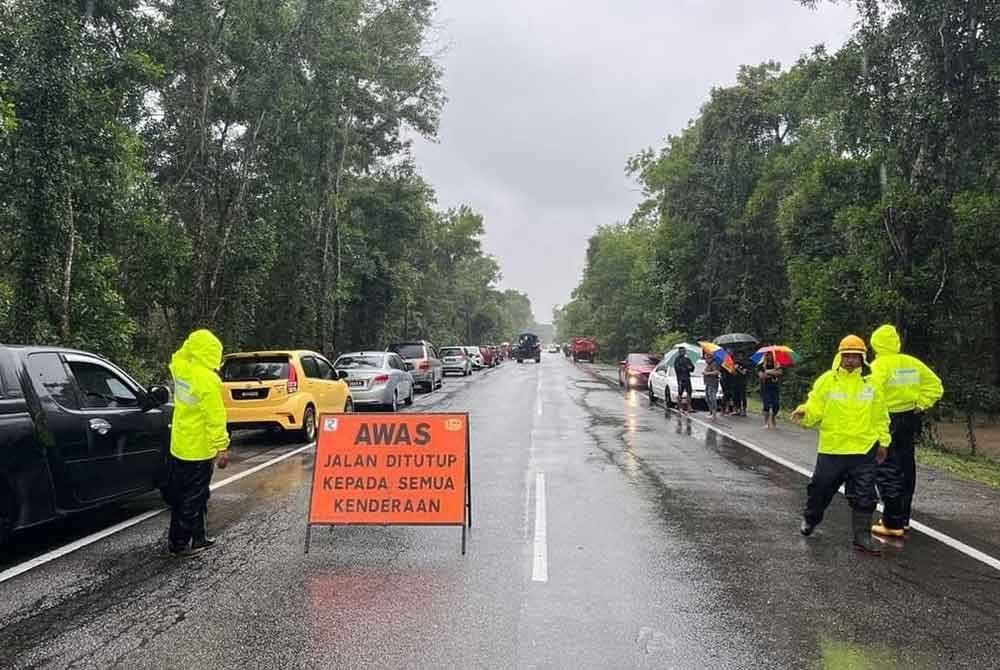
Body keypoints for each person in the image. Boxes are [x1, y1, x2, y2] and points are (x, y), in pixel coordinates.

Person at [791, 335, 890, 556]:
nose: (851, 360)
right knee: (820, 488)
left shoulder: (872, 383)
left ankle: (862, 538)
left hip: (864, 449)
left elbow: (880, 415)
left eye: (855, 356)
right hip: (833, 449)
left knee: (865, 495)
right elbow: (815, 404)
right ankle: (811, 518)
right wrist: (805, 412)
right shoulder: (827, 380)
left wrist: (883, 442)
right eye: (847, 355)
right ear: (840, 356)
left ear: (863, 358)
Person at [868, 324, 944, 537]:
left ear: (876, 344)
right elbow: (936, 386)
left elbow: (871, 392)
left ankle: (892, 523)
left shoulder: (878, 366)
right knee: (906, 466)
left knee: (886, 468)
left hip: (887, 419)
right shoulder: (913, 363)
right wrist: (921, 404)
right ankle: (903, 518)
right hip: (910, 417)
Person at [166, 329, 230, 556]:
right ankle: (179, 543)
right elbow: (215, 416)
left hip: (180, 444)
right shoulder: (208, 379)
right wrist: (221, 446)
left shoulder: (181, 369)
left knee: (189, 494)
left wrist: (190, 344)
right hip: (199, 449)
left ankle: (199, 537)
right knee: (193, 497)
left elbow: (177, 355)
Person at [758, 351, 782, 428]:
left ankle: (773, 417)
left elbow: (780, 372)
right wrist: (772, 372)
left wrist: (769, 372)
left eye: (771, 355)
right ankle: (766, 423)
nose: (769, 356)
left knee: (776, 405)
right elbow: (761, 376)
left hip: (775, 387)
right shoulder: (762, 365)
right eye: (767, 355)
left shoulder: (776, 364)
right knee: (767, 405)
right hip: (766, 387)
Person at [673, 346, 695, 413]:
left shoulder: (687, 359)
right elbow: (677, 369)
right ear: (679, 352)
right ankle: (680, 407)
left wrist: (690, 367)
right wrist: (685, 368)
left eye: (684, 351)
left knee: (689, 392)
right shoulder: (677, 359)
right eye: (681, 351)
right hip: (680, 378)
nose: (683, 352)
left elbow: (692, 368)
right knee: (680, 392)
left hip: (687, 378)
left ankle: (689, 407)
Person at [703, 354, 721, 420]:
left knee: (712, 398)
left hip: (712, 383)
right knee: (707, 398)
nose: (705, 360)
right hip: (708, 383)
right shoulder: (709, 364)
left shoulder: (714, 364)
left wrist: (707, 373)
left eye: (706, 359)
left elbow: (716, 372)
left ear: (710, 358)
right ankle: (711, 412)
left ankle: (714, 414)